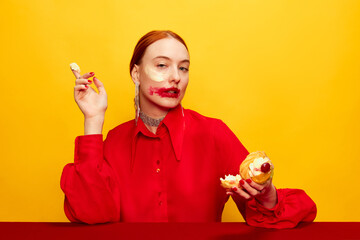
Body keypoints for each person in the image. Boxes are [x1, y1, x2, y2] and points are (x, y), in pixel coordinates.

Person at [61, 30, 316, 228]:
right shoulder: (115, 140)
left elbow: (266, 213)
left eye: (183, 68)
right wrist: (93, 120)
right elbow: (92, 215)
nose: (176, 77)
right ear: (136, 74)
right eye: (162, 65)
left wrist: (267, 195)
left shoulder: (214, 134)